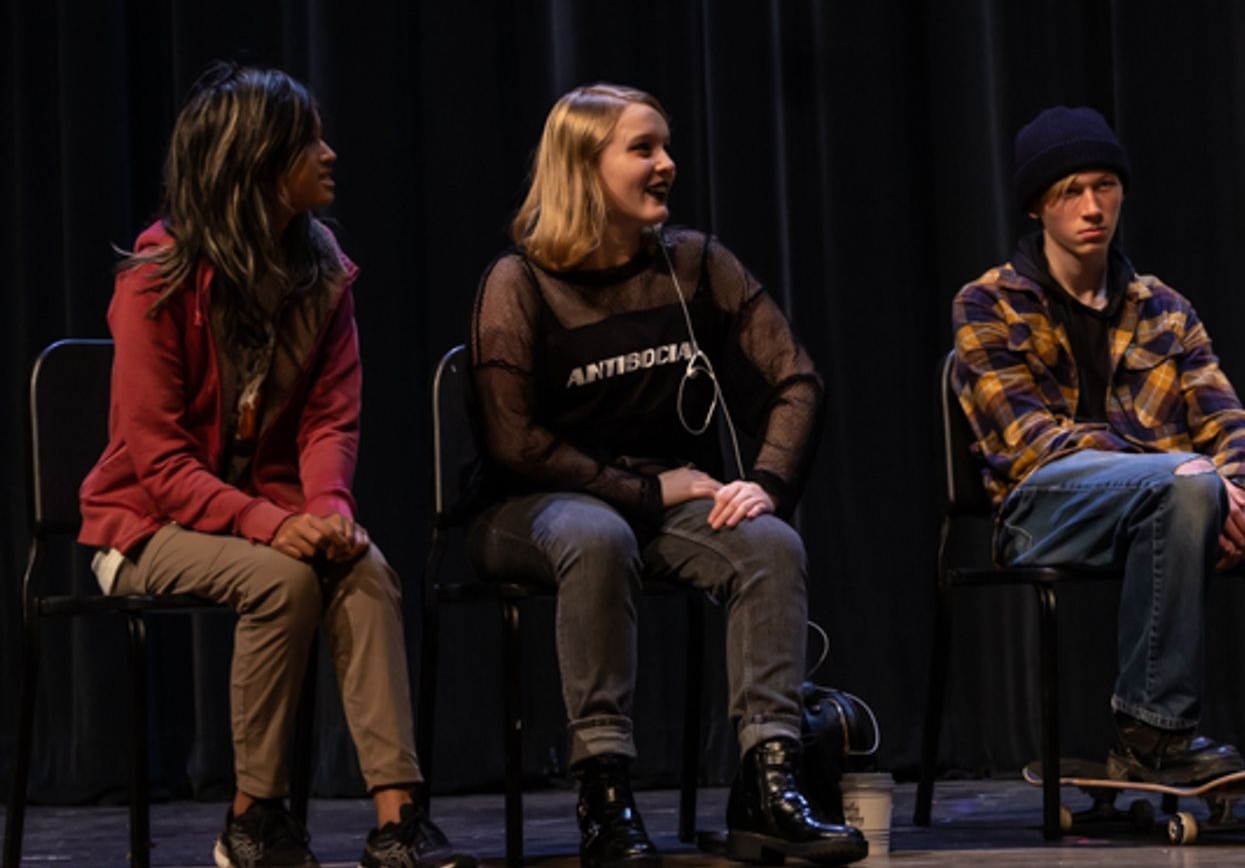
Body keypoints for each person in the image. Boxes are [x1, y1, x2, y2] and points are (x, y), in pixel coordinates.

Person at [952, 104, 1245, 830]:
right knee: (1186, 478)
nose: (1092, 206)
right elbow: (1030, 441)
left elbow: (1231, 422)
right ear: (1038, 204)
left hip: (1187, 498)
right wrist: (1191, 475)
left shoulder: (1162, 305)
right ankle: (1152, 733)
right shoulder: (988, 302)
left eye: (1104, 185)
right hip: (1046, 513)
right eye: (1070, 190)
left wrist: (1242, 490)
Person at [78, 64, 475, 868]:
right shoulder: (159, 280)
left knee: (366, 569)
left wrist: (327, 508)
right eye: (308, 142)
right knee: (281, 580)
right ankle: (253, 819)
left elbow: (330, 414)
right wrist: (272, 522)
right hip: (143, 524)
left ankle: (398, 822)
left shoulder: (320, 271)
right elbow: (158, 461)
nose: (330, 154)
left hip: (269, 514)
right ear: (258, 163)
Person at [467, 84, 866, 865]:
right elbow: (514, 442)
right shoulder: (519, 283)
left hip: (656, 504)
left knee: (770, 543)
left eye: (665, 146)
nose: (667, 164)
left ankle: (768, 778)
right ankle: (604, 789)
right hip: (534, 507)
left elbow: (796, 380)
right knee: (596, 531)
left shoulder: (692, 264)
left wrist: (768, 481)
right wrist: (645, 492)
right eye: (643, 149)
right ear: (584, 167)